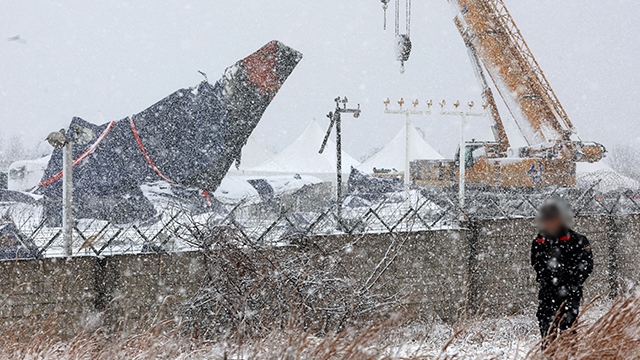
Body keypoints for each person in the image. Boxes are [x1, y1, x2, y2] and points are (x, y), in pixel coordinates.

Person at [531, 198, 593, 340]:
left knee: (568, 331)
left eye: (552, 219)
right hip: (547, 293)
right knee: (547, 331)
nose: (548, 223)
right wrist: (549, 278)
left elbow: (586, 265)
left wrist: (569, 280)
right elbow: (536, 263)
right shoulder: (539, 241)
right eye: (545, 220)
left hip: (569, 293)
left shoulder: (577, 240)